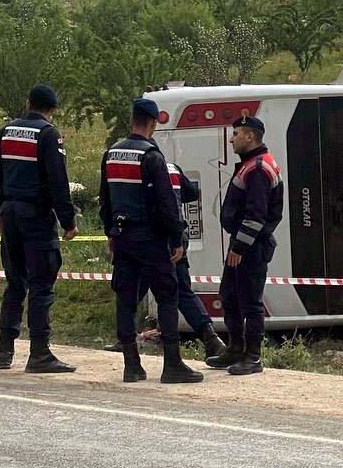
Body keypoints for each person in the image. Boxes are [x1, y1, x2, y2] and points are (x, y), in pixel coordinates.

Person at [99, 98, 203, 384]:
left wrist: (110, 232)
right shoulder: (151, 156)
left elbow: (105, 200)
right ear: (154, 123)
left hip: (122, 239)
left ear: (132, 119)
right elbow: (167, 203)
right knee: (168, 296)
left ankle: (131, 366)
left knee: (126, 299)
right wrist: (176, 237)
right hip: (151, 240)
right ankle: (172, 365)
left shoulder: (111, 154)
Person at [0, 84, 78, 374]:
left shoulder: (6, 132)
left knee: (15, 283)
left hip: (9, 214)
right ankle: (39, 353)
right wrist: (68, 221)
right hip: (35, 217)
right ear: (52, 109)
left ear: (28, 103)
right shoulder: (49, 135)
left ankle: (4, 351)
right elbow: (57, 182)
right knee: (41, 284)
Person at [104, 162, 227, 359]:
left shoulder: (138, 167)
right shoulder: (173, 168)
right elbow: (191, 193)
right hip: (173, 238)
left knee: (132, 290)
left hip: (150, 240)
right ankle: (211, 339)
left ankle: (127, 340)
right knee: (181, 292)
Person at [205, 115, 284, 376]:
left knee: (250, 302)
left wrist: (238, 247)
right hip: (242, 243)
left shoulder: (259, 168)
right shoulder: (251, 164)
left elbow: (256, 215)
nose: (231, 139)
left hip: (250, 246)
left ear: (250, 136)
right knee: (229, 295)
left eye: (236, 133)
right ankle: (235, 348)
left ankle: (252, 356)